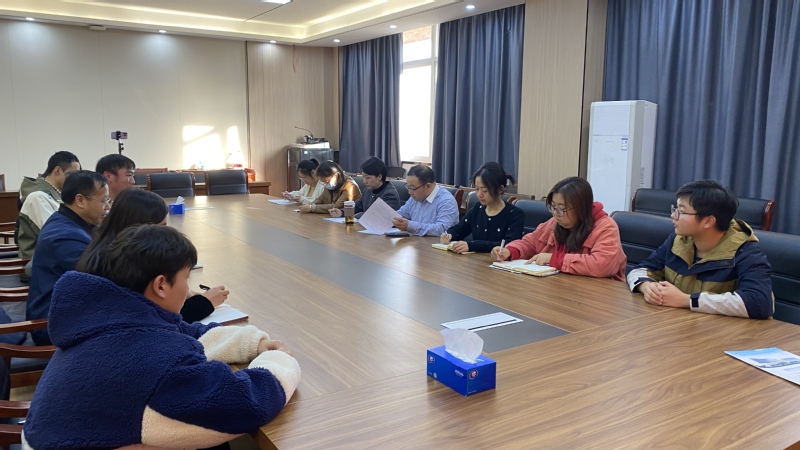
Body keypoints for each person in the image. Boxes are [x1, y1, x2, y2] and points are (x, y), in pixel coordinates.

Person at [22, 224, 300, 448]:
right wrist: (278, 360)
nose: (188, 289)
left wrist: (252, 343)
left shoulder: (109, 317)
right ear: (161, 285)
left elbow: (183, 333)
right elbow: (246, 404)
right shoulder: (154, 363)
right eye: (186, 278)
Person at [76, 188, 229, 323]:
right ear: (141, 228)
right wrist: (204, 302)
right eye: (161, 227)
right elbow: (155, 319)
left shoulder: (106, 250)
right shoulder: (114, 267)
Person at [627, 180, 773, 319]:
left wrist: (687, 300)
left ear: (708, 221)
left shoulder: (746, 253)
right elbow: (639, 270)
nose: (673, 215)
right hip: (680, 324)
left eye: (681, 211)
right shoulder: (678, 241)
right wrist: (646, 286)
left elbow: (759, 303)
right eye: (675, 209)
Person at [26, 170, 110, 344]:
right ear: (80, 200)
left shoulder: (68, 221)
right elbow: (100, 276)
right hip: (52, 324)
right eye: (103, 201)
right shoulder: (64, 236)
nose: (107, 207)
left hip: (69, 311)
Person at [492, 176, 627, 281]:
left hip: (599, 295)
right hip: (562, 286)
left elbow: (602, 265)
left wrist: (555, 259)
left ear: (581, 208)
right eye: (553, 207)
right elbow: (530, 243)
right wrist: (511, 251)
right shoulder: (555, 222)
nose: (556, 213)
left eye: (562, 209)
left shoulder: (605, 227)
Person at [441, 162, 523, 253]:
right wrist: (449, 235)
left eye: (485, 190)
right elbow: (459, 229)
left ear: (500, 189)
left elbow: (509, 245)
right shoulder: (478, 208)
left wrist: (472, 245)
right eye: (477, 189)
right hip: (476, 260)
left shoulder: (514, 214)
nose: (479, 194)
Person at [17, 151, 81, 259]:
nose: (75, 180)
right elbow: (57, 233)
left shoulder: (57, 194)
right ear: (57, 171)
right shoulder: (37, 197)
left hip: (57, 255)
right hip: (39, 262)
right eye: (72, 175)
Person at [392, 165, 459, 236]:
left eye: (412, 188)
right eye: (408, 187)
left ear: (428, 186)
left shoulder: (446, 201)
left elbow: (443, 229)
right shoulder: (415, 197)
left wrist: (411, 226)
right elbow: (400, 215)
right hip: (415, 240)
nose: (409, 192)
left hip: (436, 242)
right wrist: (391, 218)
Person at [330, 156, 400, 218]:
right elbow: (357, 207)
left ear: (379, 177)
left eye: (368, 178)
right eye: (363, 177)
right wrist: (341, 212)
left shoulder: (390, 194)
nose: (364, 181)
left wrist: (356, 215)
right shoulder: (368, 190)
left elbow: (376, 216)